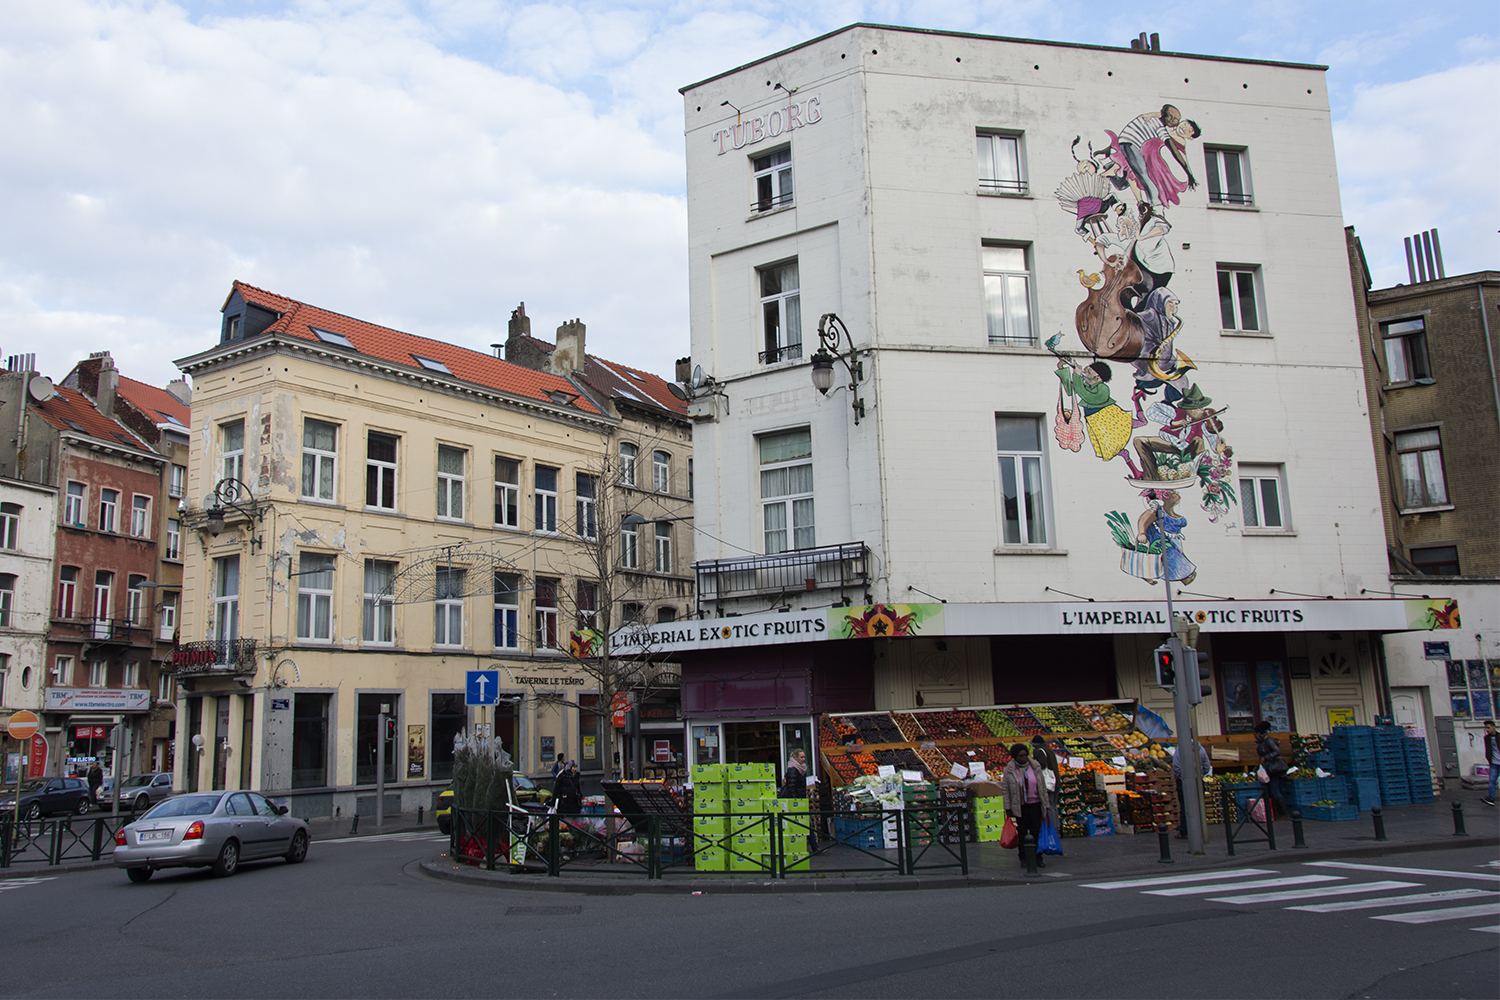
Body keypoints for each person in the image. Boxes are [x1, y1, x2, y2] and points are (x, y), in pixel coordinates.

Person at [1001, 743, 1048, 868]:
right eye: (1021, 756)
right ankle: (1023, 857)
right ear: (1015, 757)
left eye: (1025, 755)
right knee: (1022, 832)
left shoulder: (1035, 766)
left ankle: (1038, 856)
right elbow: (1005, 789)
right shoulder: (1010, 770)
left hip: (1036, 803)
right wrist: (1008, 807)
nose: (1024, 758)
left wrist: (1046, 803)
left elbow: (1042, 786)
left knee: (1035, 831)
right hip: (1020, 805)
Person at [1172, 738, 1212, 838]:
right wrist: (1200, 774)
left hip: (1184, 780)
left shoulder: (1181, 749)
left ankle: (1185, 831)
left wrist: (1178, 776)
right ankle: (1201, 829)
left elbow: (1176, 765)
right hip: (1198, 780)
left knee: (1185, 805)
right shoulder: (1200, 749)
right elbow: (1207, 765)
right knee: (1199, 805)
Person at [1254, 721, 1288, 820]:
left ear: (1258, 733)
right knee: (1270, 791)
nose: (1254, 736)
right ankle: (1276, 813)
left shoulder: (1268, 741)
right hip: (1267, 768)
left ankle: (1284, 813)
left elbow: (1277, 751)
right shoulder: (1263, 741)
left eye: (1255, 734)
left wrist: (1266, 758)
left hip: (1273, 769)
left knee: (1275, 790)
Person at [1483, 720, 1498, 807]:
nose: (1487, 730)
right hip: (1494, 763)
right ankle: (1491, 798)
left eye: (1488, 728)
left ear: (1494, 727)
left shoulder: (1499, 736)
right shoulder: (1487, 738)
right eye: (1486, 728)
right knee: (1492, 781)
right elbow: (1488, 750)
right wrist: (1489, 759)